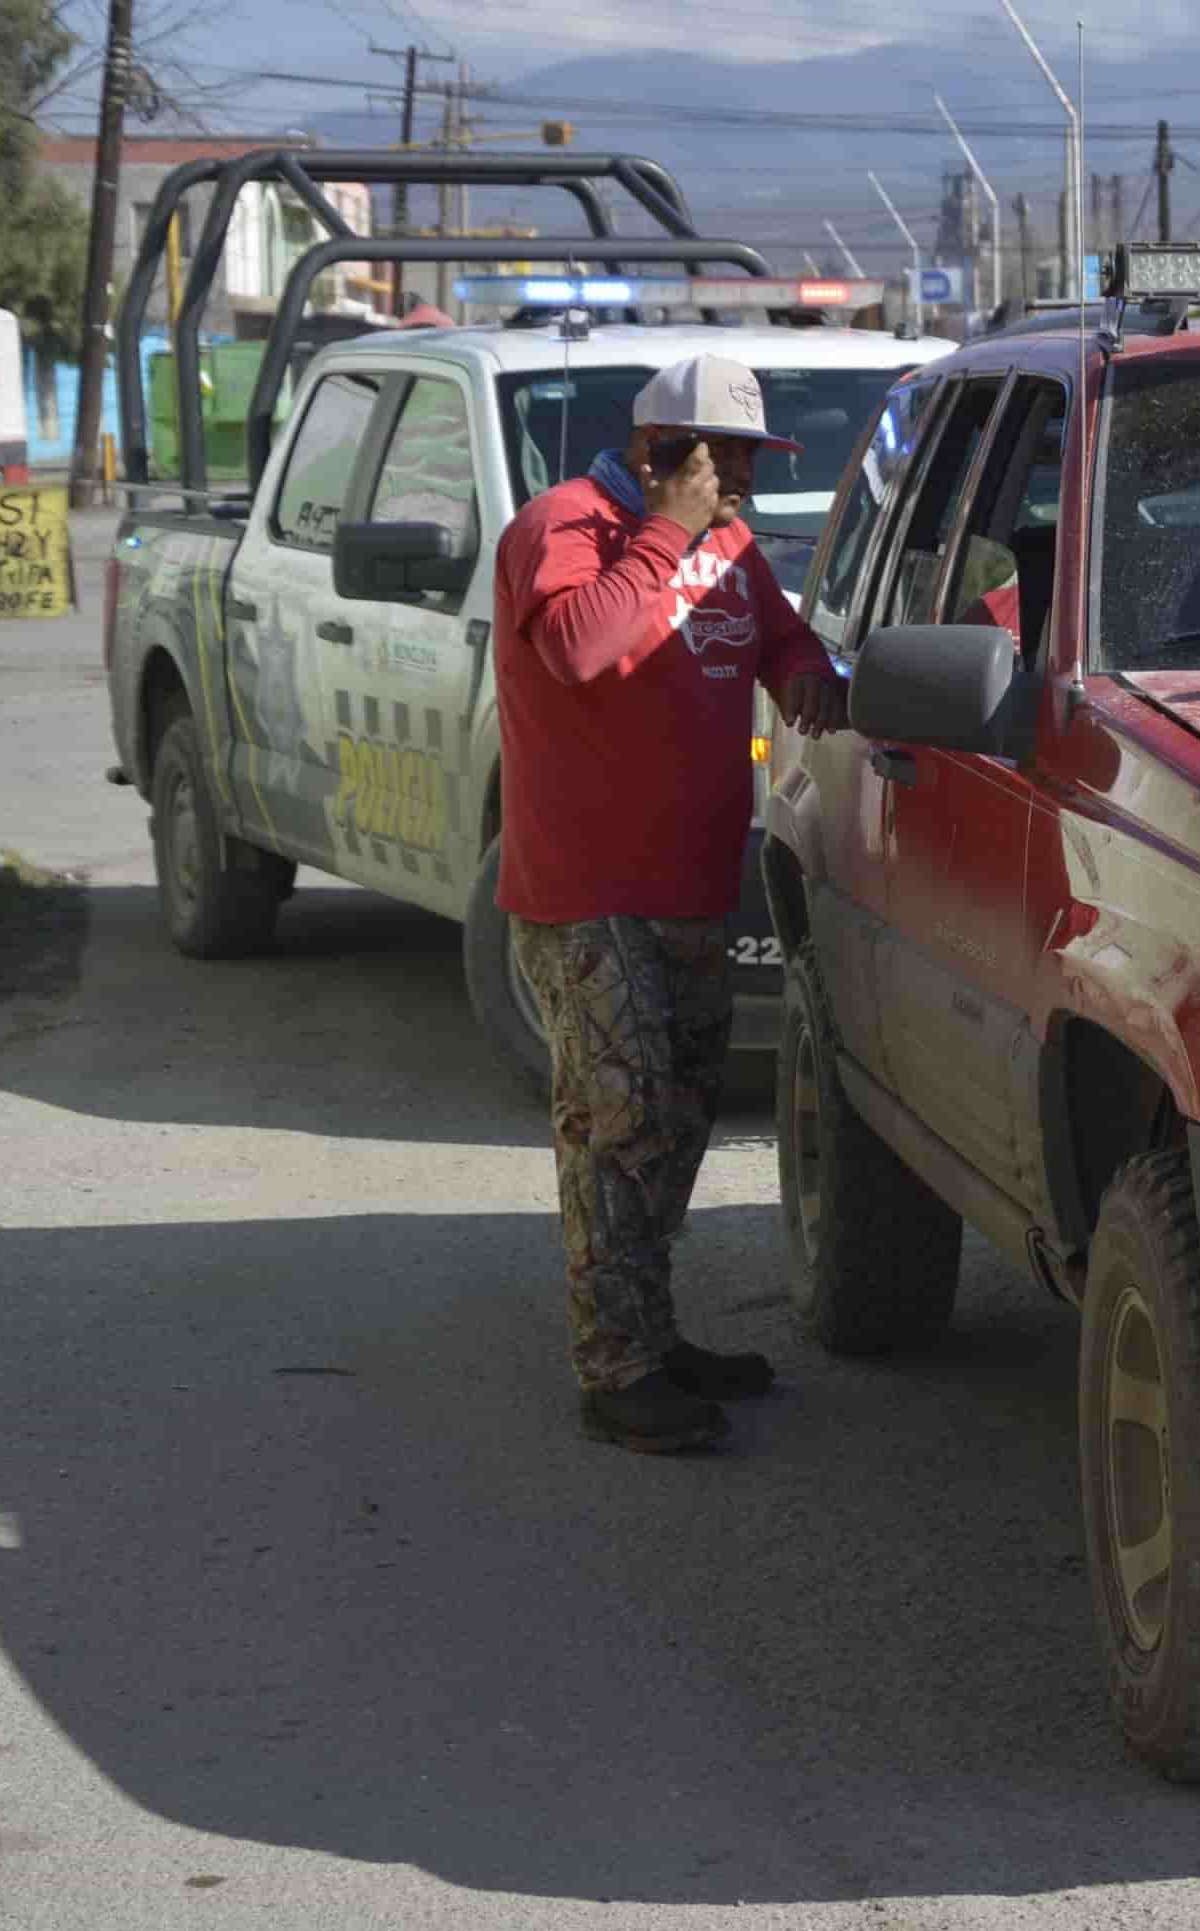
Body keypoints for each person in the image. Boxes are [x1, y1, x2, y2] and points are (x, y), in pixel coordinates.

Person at [489, 354, 851, 1454]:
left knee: (677, 1120)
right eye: (722, 459)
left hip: (690, 882)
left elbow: (776, 635)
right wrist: (664, 533)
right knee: (622, 1121)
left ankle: (649, 1334)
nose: (738, 481)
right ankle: (616, 1372)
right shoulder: (566, 526)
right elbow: (582, 647)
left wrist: (800, 669)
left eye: (748, 459)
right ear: (662, 453)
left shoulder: (730, 544)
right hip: (587, 892)